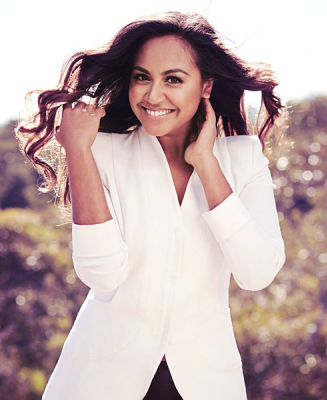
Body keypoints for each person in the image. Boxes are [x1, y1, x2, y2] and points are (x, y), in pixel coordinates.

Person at [15, 10, 288, 400]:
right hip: (101, 382)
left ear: (206, 85)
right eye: (142, 77)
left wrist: (207, 164)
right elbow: (101, 273)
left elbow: (257, 273)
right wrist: (77, 149)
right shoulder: (100, 151)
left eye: (173, 79)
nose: (152, 95)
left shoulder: (243, 158)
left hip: (206, 384)